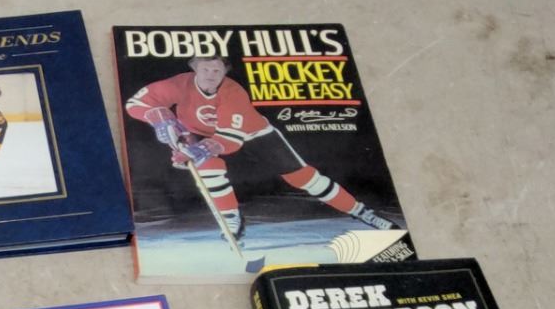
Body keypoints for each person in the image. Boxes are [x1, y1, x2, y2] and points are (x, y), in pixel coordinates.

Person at [124, 56, 396, 240]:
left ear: (225, 72)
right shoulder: (179, 84)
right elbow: (135, 104)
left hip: (253, 134)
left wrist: (196, 151)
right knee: (209, 169)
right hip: (198, 132)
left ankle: (362, 212)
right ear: (195, 68)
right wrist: (157, 116)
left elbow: (229, 141)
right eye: (205, 69)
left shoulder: (233, 93)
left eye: (217, 70)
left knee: (305, 178)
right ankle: (232, 219)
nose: (210, 75)